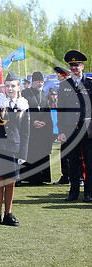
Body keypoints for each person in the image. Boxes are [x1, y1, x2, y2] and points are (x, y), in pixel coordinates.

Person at [0, 71, 30, 227]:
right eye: (7, 86)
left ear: (18, 87)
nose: (10, 88)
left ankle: (8, 213)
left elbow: (25, 132)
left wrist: (23, 153)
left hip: (14, 148)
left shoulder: (23, 104)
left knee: (10, 183)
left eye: (13, 86)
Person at [57, 50, 92, 202]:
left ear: (82, 66)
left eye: (76, 65)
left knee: (90, 162)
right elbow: (61, 110)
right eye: (71, 65)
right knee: (73, 162)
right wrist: (61, 131)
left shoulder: (90, 84)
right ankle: (73, 192)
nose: (74, 68)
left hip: (87, 130)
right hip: (71, 130)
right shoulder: (64, 86)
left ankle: (89, 193)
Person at [21, 71, 54, 185]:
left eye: (41, 81)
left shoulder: (44, 95)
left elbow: (47, 112)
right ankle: (30, 177)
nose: (40, 84)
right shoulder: (24, 93)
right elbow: (22, 112)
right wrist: (32, 123)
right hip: (29, 130)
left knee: (41, 152)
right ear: (32, 82)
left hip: (42, 131)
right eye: (38, 81)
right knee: (30, 152)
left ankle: (41, 177)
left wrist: (44, 122)